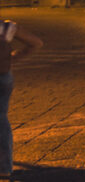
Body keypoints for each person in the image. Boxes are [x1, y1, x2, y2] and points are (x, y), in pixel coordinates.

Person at [1, 18, 43, 180]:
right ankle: (4, 167)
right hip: (3, 77)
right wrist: (13, 58)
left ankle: (4, 167)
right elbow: (36, 43)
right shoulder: (6, 27)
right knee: (1, 119)